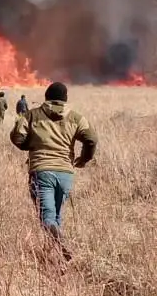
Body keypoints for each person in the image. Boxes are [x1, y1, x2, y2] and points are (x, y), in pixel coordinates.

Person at [9, 81, 98, 261]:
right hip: (65, 173)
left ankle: (63, 246)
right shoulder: (76, 118)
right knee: (56, 215)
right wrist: (84, 159)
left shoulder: (32, 115)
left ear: (46, 97)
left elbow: (17, 136)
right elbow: (92, 139)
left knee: (47, 218)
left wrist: (30, 145)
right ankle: (57, 259)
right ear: (65, 99)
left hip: (42, 171)